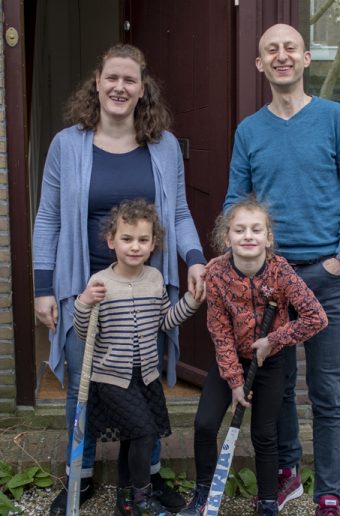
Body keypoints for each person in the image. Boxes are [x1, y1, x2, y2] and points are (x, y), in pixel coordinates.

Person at [32, 44, 206, 515]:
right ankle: (81, 477)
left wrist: (193, 259)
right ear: (97, 81)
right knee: (82, 386)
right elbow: (47, 218)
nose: (120, 87)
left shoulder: (164, 146)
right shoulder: (67, 145)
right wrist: (43, 287)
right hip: (82, 287)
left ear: (142, 87)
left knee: (145, 382)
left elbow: (182, 212)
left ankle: (145, 478)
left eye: (130, 80)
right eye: (112, 77)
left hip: (144, 288)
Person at [223, 24, 340, 516]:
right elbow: (234, 204)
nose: (281, 56)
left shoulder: (334, 119)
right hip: (270, 284)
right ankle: (287, 474)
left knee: (326, 392)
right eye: (271, 50)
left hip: (325, 279)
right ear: (259, 65)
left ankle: (329, 489)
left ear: (306, 58)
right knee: (278, 390)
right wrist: (232, 265)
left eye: (290, 48)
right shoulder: (249, 131)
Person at [178, 197, 328, 516]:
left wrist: (273, 340)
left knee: (264, 432)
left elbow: (317, 317)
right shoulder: (216, 273)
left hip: (271, 362)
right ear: (227, 237)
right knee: (204, 423)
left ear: (268, 238)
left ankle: (268, 499)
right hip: (231, 358)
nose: (248, 236)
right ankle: (204, 492)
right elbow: (219, 332)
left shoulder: (281, 272)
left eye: (256, 229)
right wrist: (234, 381)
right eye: (240, 230)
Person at [74, 199, 203, 515]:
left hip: (145, 376)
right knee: (144, 432)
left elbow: (165, 321)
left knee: (133, 439)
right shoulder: (100, 282)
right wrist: (84, 301)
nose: (135, 247)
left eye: (143, 240)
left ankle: (126, 502)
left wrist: (192, 301)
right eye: (127, 239)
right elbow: (83, 333)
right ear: (111, 241)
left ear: (153, 243)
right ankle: (143, 494)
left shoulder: (155, 279)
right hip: (111, 379)